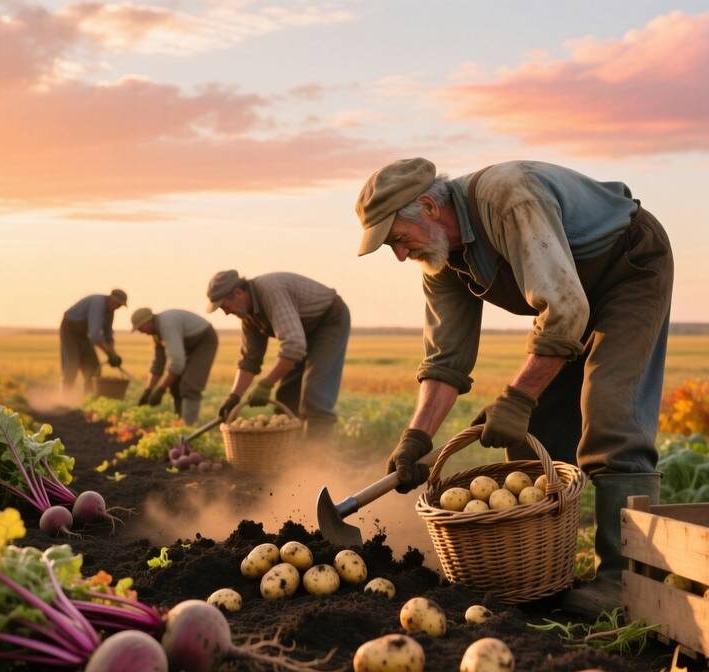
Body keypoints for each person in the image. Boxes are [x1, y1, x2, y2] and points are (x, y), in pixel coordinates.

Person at [354, 158, 674, 616]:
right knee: (539, 425)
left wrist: (517, 396)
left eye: (398, 239)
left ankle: (626, 582)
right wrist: (416, 437)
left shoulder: (509, 198)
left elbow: (564, 309)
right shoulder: (440, 257)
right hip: (572, 297)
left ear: (427, 206)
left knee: (610, 412)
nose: (400, 254)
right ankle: (544, 568)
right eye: (390, 247)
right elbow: (446, 360)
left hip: (628, 267)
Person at [206, 270, 350, 438]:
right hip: (303, 331)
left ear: (238, 293)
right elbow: (249, 361)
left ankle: (317, 458)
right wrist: (234, 397)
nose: (226, 312)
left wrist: (266, 384)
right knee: (286, 397)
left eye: (224, 306)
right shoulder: (249, 317)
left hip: (328, 321)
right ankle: (289, 455)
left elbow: (294, 346)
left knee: (315, 397)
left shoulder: (271, 292)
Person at [130, 307, 218, 424]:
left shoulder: (167, 325)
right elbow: (158, 364)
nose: (140, 332)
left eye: (140, 328)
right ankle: (179, 423)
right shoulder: (156, 333)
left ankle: (187, 429)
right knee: (175, 385)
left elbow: (177, 363)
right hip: (188, 344)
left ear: (148, 322)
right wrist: (148, 390)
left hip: (204, 341)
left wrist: (160, 389)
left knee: (190, 384)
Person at [59, 289, 127, 392]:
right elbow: (95, 335)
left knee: (93, 367)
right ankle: (65, 398)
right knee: (72, 364)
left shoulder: (110, 312)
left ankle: (88, 398)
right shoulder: (98, 303)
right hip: (70, 331)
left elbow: (108, 335)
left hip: (83, 335)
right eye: (118, 304)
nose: (118, 307)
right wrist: (109, 353)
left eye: (120, 306)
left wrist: (114, 354)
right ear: (111, 299)